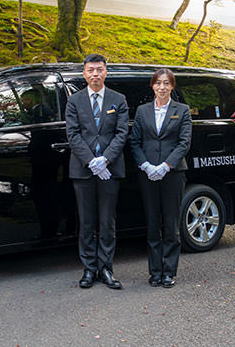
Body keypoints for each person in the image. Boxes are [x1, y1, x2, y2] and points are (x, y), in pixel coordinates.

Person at [65, 54, 129, 289]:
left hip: (110, 170)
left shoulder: (118, 99)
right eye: (90, 70)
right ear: (84, 73)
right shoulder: (74, 101)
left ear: (106, 72)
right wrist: (92, 161)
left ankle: (106, 269)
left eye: (99, 70)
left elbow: (122, 133)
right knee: (87, 222)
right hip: (83, 170)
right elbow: (73, 134)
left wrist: (106, 160)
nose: (95, 74)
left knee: (107, 222)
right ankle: (89, 269)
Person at [130, 68, 192, 288]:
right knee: (152, 222)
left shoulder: (182, 110)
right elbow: (135, 141)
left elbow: (184, 143)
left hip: (172, 174)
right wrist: (145, 165)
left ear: (172, 86)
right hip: (147, 173)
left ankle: (169, 271)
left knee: (171, 223)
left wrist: (166, 166)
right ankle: (155, 271)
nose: (162, 87)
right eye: (158, 83)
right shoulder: (142, 111)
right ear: (152, 86)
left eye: (166, 83)